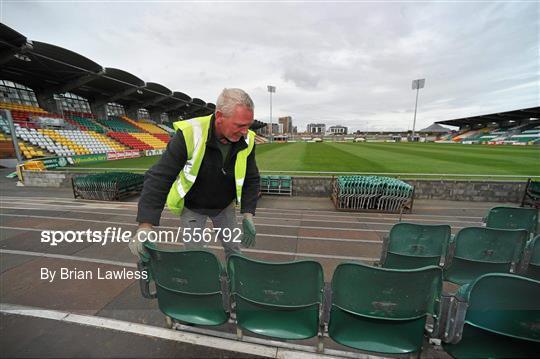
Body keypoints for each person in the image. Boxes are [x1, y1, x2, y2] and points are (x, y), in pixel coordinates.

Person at [129, 88, 260, 259]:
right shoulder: (190, 133)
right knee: (195, 254)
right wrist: (145, 226)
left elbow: (251, 177)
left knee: (234, 250)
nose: (245, 131)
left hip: (224, 206)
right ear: (219, 116)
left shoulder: (248, 139)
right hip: (193, 206)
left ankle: (236, 283)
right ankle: (200, 284)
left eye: (248, 125)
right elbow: (160, 176)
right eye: (240, 125)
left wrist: (248, 213)